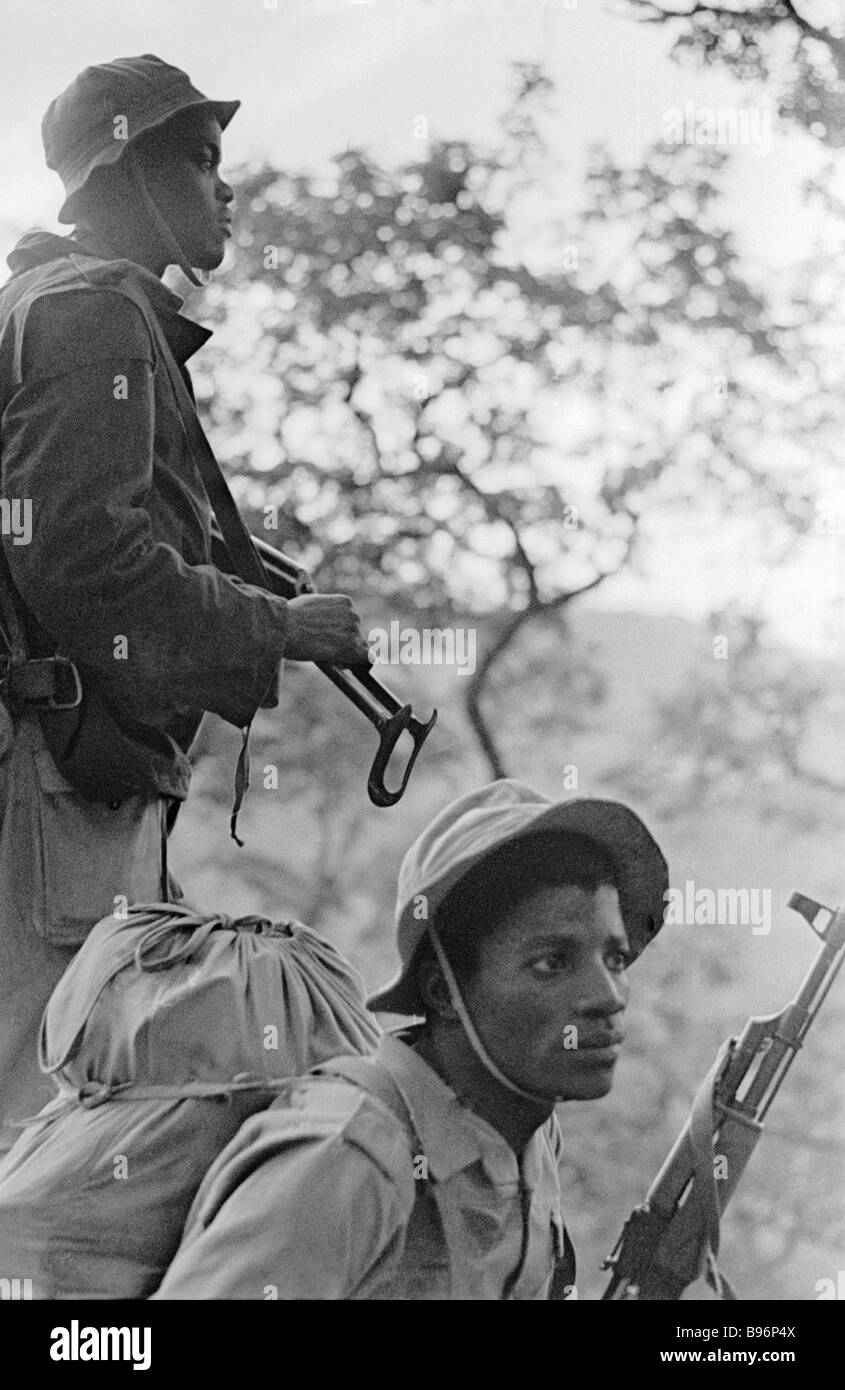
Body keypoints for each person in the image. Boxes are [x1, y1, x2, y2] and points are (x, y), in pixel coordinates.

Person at [0, 55, 370, 1153]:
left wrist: (230, 560)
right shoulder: (95, 316)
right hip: (55, 788)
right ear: (127, 174)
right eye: (201, 162)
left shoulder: (45, 304)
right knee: (45, 1117)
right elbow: (78, 553)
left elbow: (60, 521)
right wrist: (277, 629)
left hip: (58, 778)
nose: (225, 191)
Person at [154, 778, 668, 1300]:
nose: (608, 996)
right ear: (444, 992)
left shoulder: (526, 1134)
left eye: (616, 959)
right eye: (551, 963)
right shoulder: (349, 1158)